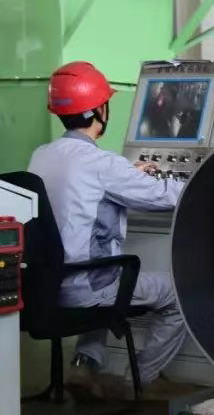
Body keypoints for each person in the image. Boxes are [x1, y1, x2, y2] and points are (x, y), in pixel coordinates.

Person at [28, 61, 187, 394]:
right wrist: (206, 179)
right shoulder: (102, 164)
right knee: (178, 294)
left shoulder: (41, 155)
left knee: (98, 274)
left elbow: (82, 187)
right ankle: (138, 380)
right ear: (100, 110)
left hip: (44, 286)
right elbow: (165, 195)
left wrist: (125, 174)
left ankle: (83, 366)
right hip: (84, 286)